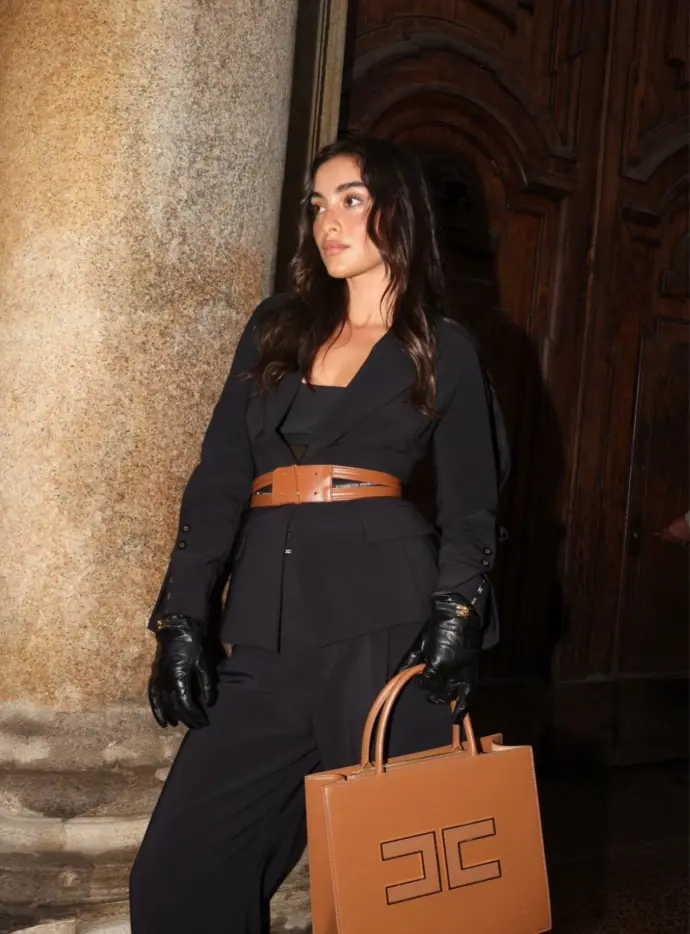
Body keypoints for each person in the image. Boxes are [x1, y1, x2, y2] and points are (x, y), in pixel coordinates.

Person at [129, 136, 503, 933]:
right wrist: (182, 616)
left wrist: (458, 616)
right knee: (179, 872)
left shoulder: (443, 347)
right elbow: (220, 478)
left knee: (404, 897)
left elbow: (473, 503)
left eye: (351, 200)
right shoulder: (277, 327)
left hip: (388, 628)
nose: (328, 222)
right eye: (318, 205)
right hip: (264, 632)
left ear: (399, 211)